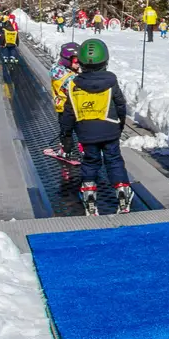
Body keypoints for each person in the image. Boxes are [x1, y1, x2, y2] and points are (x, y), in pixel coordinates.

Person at [60, 39, 133, 215]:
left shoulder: (74, 85)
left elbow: (68, 113)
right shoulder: (111, 82)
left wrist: (66, 136)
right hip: (110, 129)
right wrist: (120, 124)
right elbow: (121, 105)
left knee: (90, 162)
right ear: (105, 60)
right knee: (114, 160)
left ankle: (89, 193)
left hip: (86, 132)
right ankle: (122, 191)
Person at [50, 42, 82, 183]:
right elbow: (71, 84)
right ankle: (66, 149)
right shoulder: (60, 73)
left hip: (77, 107)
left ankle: (83, 146)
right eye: (76, 61)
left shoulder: (73, 71)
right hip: (65, 108)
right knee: (66, 130)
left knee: (81, 128)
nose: (78, 64)